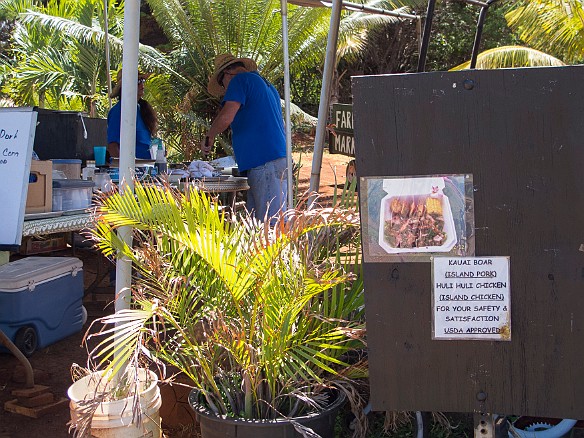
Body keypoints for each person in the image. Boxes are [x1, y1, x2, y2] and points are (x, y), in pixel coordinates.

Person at [201, 53, 288, 221]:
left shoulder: (239, 81)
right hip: (273, 159)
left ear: (227, 73)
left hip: (264, 161)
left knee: (270, 226)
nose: (225, 89)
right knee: (257, 225)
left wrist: (210, 135)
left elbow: (226, 116)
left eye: (222, 83)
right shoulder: (266, 86)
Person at [107, 69, 158, 160]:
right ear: (125, 85)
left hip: (147, 168)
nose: (142, 85)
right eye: (138, 81)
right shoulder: (118, 111)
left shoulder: (141, 108)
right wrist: (124, 170)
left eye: (142, 80)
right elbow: (112, 146)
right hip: (132, 171)